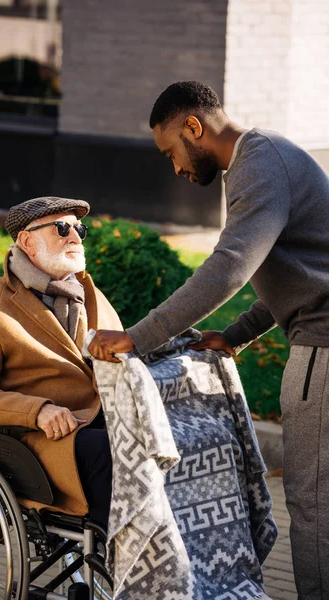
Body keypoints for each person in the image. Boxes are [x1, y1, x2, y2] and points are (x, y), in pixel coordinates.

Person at [88, 80, 329, 599]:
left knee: (314, 506)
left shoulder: (258, 164)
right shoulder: (270, 156)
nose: (174, 166)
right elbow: (303, 267)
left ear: (194, 127)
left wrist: (138, 336)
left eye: (171, 150)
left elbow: (230, 268)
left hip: (323, 353)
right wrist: (237, 334)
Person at [0, 196, 122, 528]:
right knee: (110, 451)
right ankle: (118, 556)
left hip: (96, 420)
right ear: (27, 241)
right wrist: (36, 411)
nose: (74, 237)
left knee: (162, 442)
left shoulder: (88, 293)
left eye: (79, 229)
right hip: (35, 442)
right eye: (61, 228)